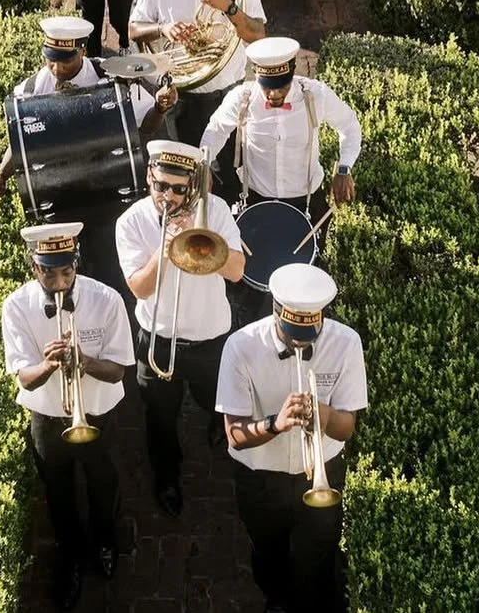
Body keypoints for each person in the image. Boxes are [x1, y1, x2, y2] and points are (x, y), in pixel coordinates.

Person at [216, 264, 367, 613]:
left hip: (321, 469)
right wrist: (275, 424)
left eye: (308, 335)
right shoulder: (240, 347)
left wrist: (324, 414)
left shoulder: (346, 343)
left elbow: (346, 428)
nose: (300, 343)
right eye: (291, 333)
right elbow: (234, 435)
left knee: (318, 551)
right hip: (261, 478)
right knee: (268, 551)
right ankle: (277, 599)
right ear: (274, 311)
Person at [2, 221, 136, 611]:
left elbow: (119, 370)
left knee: (102, 481)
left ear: (76, 263)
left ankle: (105, 539)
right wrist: (48, 364)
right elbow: (25, 379)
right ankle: (72, 556)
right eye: (49, 272)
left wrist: (86, 361)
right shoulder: (16, 307)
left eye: (66, 271)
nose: (60, 282)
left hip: (97, 412)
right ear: (34, 267)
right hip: (46, 417)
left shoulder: (107, 300)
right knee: (58, 491)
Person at [114, 139, 246, 517]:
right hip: (157, 339)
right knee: (159, 418)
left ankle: (217, 425)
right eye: (161, 187)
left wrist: (202, 238)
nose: (168, 197)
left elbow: (237, 271)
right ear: (148, 179)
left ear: (193, 186)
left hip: (210, 337)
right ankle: (167, 478)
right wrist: (165, 248)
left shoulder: (215, 210)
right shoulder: (132, 222)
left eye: (178, 188)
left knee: (215, 399)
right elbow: (139, 287)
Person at [129, 0, 265, 196]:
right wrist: (162, 28)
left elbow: (257, 36)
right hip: (184, 97)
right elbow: (134, 29)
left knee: (227, 170)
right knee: (185, 171)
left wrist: (227, 6)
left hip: (228, 92)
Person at [0, 16, 178, 195]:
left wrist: (160, 107)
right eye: (51, 60)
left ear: (83, 51)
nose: (57, 68)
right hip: (60, 187)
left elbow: (147, 126)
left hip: (110, 184)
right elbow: (20, 143)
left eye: (66, 61)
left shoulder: (112, 76)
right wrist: (1, 175)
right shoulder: (31, 89)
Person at [201, 37, 360, 226]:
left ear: (292, 74)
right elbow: (215, 130)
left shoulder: (316, 95)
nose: (274, 94)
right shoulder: (242, 98)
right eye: (267, 87)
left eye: (282, 87)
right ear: (256, 74)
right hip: (256, 199)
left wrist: (344, 168)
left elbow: (349, 125)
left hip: (306, 200)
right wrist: (205, 164)